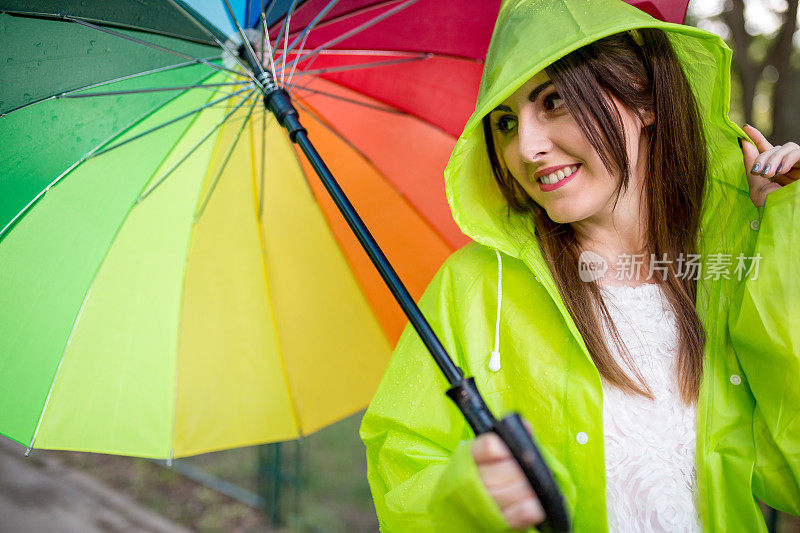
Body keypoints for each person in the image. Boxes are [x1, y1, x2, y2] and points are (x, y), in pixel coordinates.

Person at [360, 0, 800, 531]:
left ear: (645, 100)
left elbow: (788, 475)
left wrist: (785, 239)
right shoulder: (477, 285)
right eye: (504, 121)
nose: (525, 147)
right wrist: (472, 499)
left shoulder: (730, 267)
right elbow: (403, 473)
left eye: (554, 101)